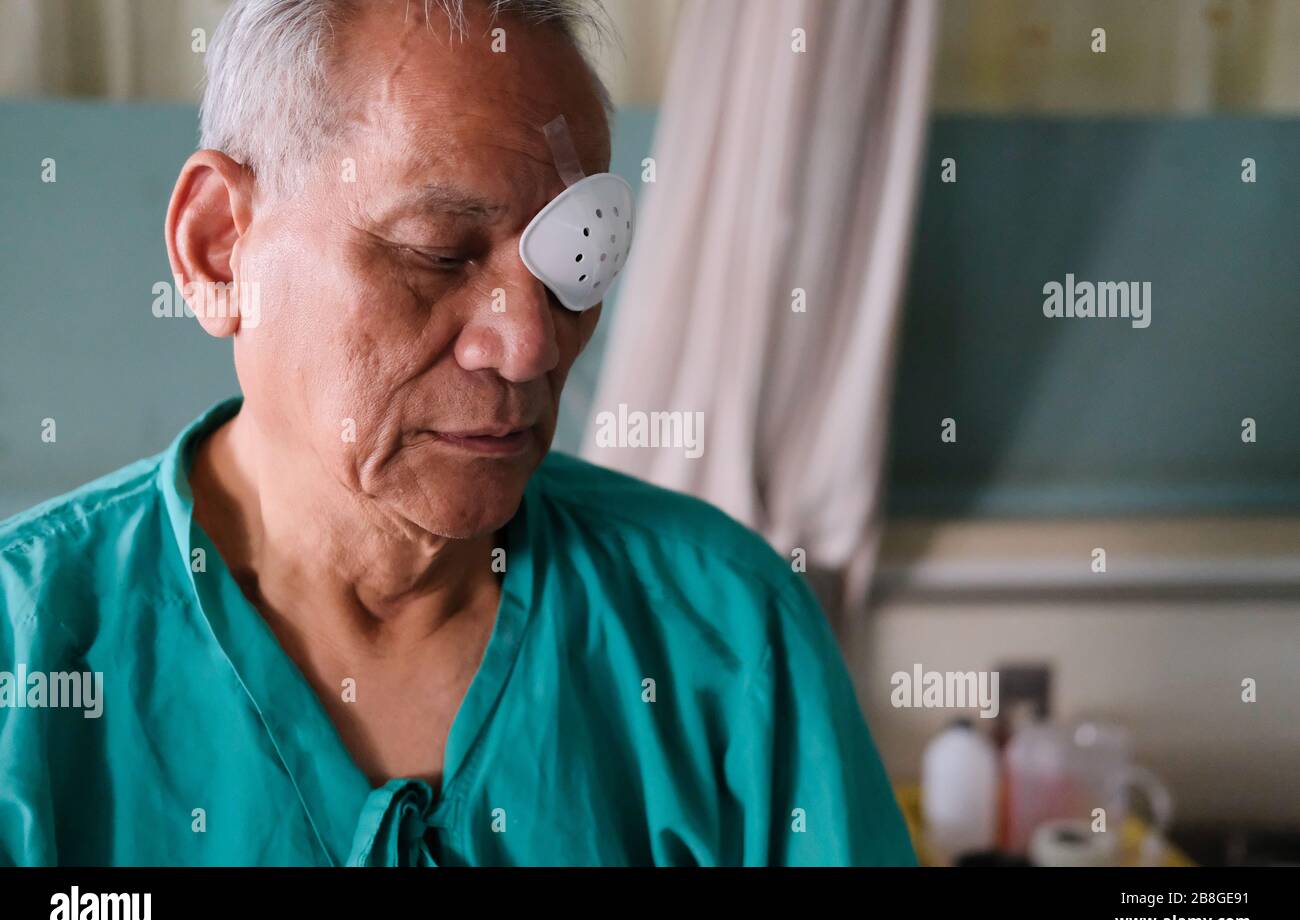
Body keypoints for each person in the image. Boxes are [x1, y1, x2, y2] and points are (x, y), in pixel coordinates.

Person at [0, 0, 914, 866]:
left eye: (573, 263)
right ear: (216, 248)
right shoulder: (28, 661)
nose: (529, 345)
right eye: (439, 252)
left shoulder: (726, 635)